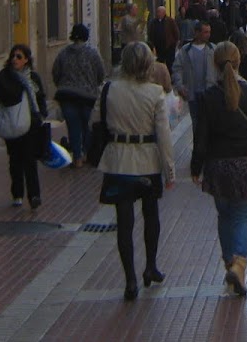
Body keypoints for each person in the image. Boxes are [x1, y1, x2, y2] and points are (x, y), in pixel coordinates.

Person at [192, 41, 247, 296]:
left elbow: (201, 138)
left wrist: (196, 167)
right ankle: (239, 263)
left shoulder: (208, 97)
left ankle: (230, 262)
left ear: (215, 64)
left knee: (225, 215)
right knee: (243, 215)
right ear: (240, 60)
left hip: (218, 166)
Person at [95, 42, 175, 301]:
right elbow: (163, 134)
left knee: (124, 222)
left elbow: (96, 122)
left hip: (118, 160)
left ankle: (130, 278)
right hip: (147, 161)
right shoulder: (155, 93)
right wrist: (169, 169)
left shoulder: (109, 90)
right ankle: (150, 265)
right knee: (151, 215)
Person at [0, 45, 49, 209]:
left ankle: (34, 195)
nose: (15, 59)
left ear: (26, 60)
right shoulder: (3, 78)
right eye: (13, 56)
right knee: (15, 160)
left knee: (30, 160)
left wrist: (41, 113)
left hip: (31, 126)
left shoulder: (33, 78)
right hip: (11, 124)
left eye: (19, 57)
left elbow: (40, 97)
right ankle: (17, 193)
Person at [52, 24, 106, 167]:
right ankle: (85, 151)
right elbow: (101, 73)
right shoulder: (93, 54)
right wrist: (95, 84)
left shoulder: (63, 53)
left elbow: (55, 72)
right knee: (86, 125)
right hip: (87, 96)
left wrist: (61, 85)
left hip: (67, 95)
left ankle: (77, 157)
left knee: (73, 126)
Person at [172, 22, 218, 125]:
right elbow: (177, 68)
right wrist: (180, 86)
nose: (208, 35)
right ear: (197, 33)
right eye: (205, 32)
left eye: (209, 32)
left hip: (209, 93)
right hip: (192, 93)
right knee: (196, 123)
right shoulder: (185, 50)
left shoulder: (213, 49)